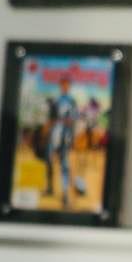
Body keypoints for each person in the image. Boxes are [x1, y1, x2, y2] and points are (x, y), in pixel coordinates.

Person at [45, 76, 79, 206]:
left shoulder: (72, 101)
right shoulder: (56, 100)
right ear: (60, 86)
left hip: (65, 135)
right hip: (53, 134)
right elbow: (50, 118)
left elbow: (73, 120)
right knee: (48, 160)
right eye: (62, 84)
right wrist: (49, 130)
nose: (64, 86)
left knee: (64, 164)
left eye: (67, 84)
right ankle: (50, 188)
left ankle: (65, 194)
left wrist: (72, 137)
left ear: (69, 86)